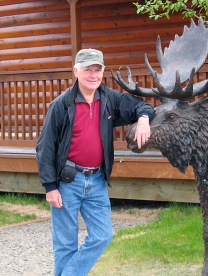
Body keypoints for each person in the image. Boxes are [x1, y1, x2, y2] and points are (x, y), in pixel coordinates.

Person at [36, 48, 154, 276]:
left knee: (102, 236)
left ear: (103, 72)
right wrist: (50, 187)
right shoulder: (61, 105)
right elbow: (45, 148)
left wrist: (143, 119)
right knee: (65, 244)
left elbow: (142, 105)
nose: (93, 75)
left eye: (97, 70)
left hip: (97, 180)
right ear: (76, 71)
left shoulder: (109, 98)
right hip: (67, 181)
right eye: (87, 69)